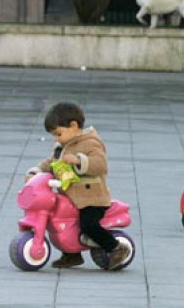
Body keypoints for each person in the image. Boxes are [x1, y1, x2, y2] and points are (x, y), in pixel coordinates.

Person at [25, 102, 131, 270]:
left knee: (87, 224)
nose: (56, 138)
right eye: (54, 135)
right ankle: (72, 254)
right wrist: (36, 172)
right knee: (64, 223)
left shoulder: (91, 143)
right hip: (70, 198)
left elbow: (100, 164)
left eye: (58, 133)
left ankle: (116, 247)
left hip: (92, 199)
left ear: (73, 126)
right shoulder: (62, 146)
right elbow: (51, 163)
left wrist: (80, 160)